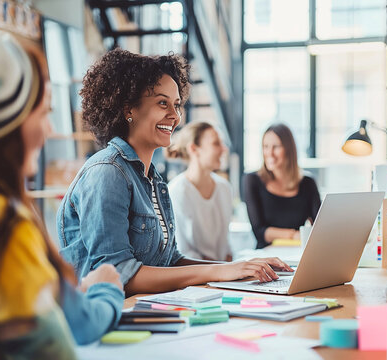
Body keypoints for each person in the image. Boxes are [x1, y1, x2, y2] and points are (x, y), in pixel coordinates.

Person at [0, 29, 124, 359]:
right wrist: (107, 289)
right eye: (43, 113)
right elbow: (62, 343)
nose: (50, 130)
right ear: (7, 121)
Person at [57, 49, 293, 295]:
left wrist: (241, 268)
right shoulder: (107, 173)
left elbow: (169, 262)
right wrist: (220, 272)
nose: (175, 115)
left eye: (177, 105)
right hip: (104, 320)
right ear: (129, 110)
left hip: (144, 311)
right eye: (162, 103)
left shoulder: (152, 179)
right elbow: (119, 275)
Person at [243, 123, 321, 249]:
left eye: (276, 147)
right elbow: (260, 232)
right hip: (266, 256)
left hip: (298, 253)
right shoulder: (252, 180)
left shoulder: (308, 183)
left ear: (289, 149)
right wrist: (294, 235)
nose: (269, 153)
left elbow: (320, 227)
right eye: (265, 146)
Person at [166, 122, 233, 261]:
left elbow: (226, 247)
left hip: (224, 275)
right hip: (194, 276)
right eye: (216, 143)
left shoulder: (224, 188)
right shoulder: (176, 192)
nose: (224, 149)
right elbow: (181, 252)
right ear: (194, 149)